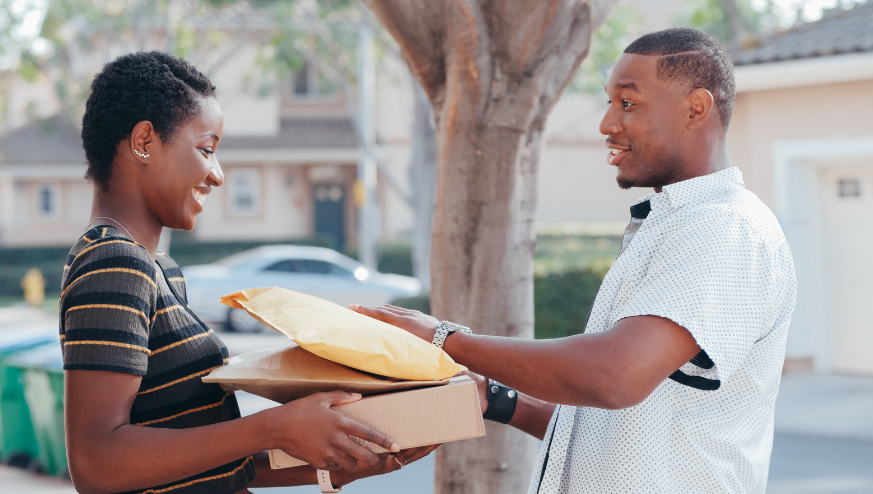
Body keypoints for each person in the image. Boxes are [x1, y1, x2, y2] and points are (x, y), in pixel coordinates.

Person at [351, 28, 797, 494]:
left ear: (696, 108)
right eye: (609, 103)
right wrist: (497, 399)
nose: (607, 123)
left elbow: (613, 377)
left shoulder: (725, 229)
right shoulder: (674, 226)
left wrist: (442, 339)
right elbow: (616, 435)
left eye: (627, 103)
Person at [61, 51, 434, 494]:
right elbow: (96, 463)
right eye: (206, 149)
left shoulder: (160, 269)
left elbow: (208, 459)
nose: (216, 175)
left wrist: (343, 460)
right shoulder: (113, 261)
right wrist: (272, 427)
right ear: (144, 141)